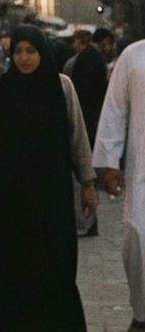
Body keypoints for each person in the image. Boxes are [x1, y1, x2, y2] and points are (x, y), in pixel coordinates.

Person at [0, 25, 97, 332]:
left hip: (51, 189)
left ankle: (59, 328)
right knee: (14, 257)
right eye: (19, 52)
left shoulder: (62, 86)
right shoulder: (1, 87)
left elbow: (77, 137)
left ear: (42, 53)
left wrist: (88, 184)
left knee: (56, 256)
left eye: (31, 51)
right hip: (9, 190)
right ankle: (18, 326)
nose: (25, 58)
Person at [91, 38, 145, 332]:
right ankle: (141, 313)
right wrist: (109, 163)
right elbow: (114, 110)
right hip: (141, 173)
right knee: (136, 239)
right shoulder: (133, 55)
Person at [69, 29, 113, 237]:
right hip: (90, 124)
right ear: (104, 42)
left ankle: (88, 219)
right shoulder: (92, 60)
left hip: (87, 122)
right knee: (87, 175)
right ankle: (87, 219)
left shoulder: (85, 58)